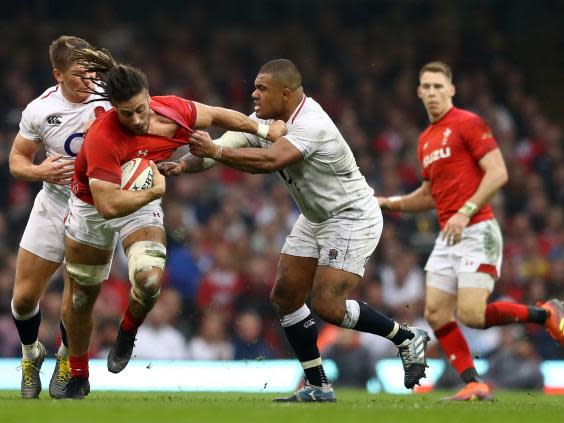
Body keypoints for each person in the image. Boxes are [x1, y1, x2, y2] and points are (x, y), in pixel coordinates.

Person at [159, 59, 431, 402]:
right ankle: (318, 384)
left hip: (351, 216)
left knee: (328, 306)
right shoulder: (264, 121)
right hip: (315, 217)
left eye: (262, 88)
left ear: (285, 94)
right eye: (255, 87)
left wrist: (215, 150)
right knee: (285, 297)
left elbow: (270, 161)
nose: (253, 93)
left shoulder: (311, 123)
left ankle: (405, 337)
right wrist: (183, 164)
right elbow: (222, 145)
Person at [60, 48, 286, 399]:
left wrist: (263, 128)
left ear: (149, 97)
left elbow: (216, 115)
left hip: (140, 201)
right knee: (80, 299)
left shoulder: (173, 111)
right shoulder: (104, 135)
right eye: (125, 113)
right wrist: (156, 192)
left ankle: (127, 333)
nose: (135, 119)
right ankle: (78, 373)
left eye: (139, 109)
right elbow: (106, 205)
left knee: (149, 282)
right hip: (93, 206)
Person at [377, 61, 564, 401]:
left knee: (472, 315)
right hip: (449, 234)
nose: (432, 92)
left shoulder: (468, 123)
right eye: (427, 87)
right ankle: (474, 383)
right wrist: (388, 202)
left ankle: (546, 314)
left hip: (478, 228)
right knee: (435, 312)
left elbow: (497, 173)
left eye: (439, 86)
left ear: (451, 90)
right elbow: (428, 195)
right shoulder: (425, 140)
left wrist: (465, 211)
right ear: (419, 93)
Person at [8, 35, 111, 399]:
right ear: (58, 75)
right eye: (78, 74)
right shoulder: (39, 110)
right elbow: (17, 160)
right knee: (22, 300)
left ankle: (67, 360)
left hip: (95, 213)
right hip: (52, 205)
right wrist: (40, 172)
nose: (88, 80)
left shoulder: (110, 97)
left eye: (90, 72)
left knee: (77, 301)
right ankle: (31, 354)